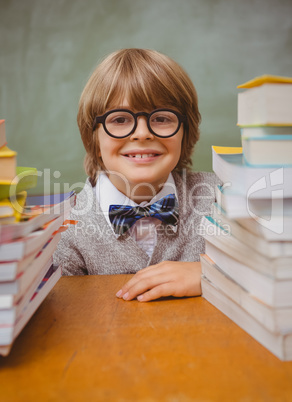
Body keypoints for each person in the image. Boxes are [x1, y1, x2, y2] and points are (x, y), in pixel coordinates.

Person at [53, 48, 219, 302]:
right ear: (94, 137)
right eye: (119, 119)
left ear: (185, 132)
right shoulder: (63, 230)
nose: (142, 133)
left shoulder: (221, 197)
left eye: (162, 117)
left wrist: (213, 275)